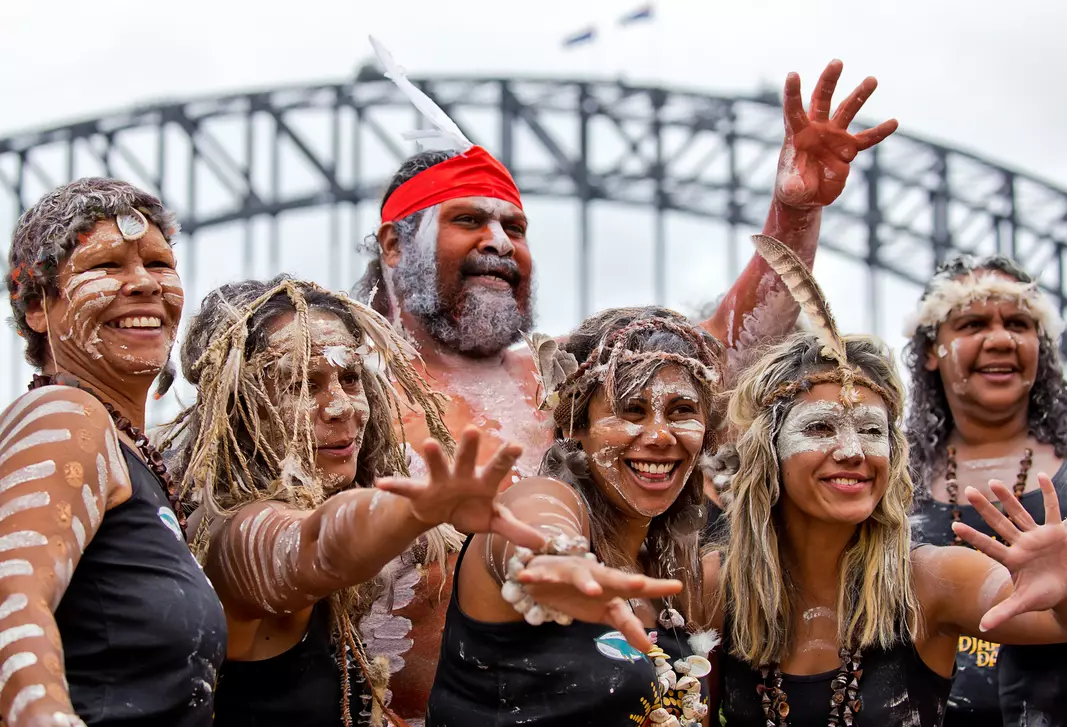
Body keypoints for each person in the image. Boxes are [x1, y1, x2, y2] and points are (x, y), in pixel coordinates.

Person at [353, 37, 900, 720]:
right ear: (394, 243)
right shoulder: (345, 391)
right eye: (469, 220)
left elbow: (718, 358)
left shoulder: (566, 382)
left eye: (515, 226)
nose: (499, 241)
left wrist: (794, 212)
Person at [708, 235, 1067, 726]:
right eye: (821, 427)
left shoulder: (930, 578)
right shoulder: (716, 586)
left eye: (871, 432)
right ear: (767, 452)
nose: (852, 452)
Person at [159, 275, 558, 727]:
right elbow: (313, 545)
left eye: (349, 379)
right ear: (239, 408)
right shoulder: (228, 535)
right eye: (302, 385)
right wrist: (411, 512)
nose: (341, 407)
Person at [410, 306, 726, 727]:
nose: (658, 436)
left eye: (682, 410)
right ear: (576, 424)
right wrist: (556, 560)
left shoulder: (678, 575)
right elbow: (538, 523)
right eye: (631, 410)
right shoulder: (543, 498)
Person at [0, 178, 225, 726]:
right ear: (36, 308)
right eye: (105, 266)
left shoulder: (125, 449)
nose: (144, 284)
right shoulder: (65, 416)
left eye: (158, 263)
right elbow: (11, 603)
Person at [903, 255, 1067, 726]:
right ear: (931, 349)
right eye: (972, 323)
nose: (1002, 339)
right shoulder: (883, 478)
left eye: (1019, 323)